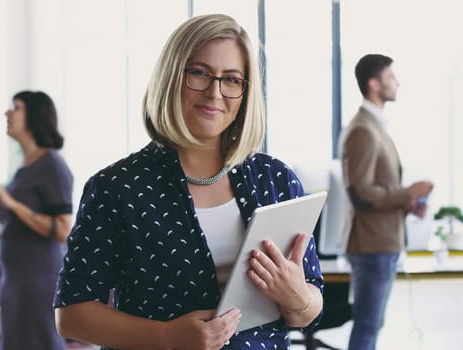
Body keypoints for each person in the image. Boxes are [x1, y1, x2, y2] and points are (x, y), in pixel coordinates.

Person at [54, 14, 323, 350]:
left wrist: (298, 298)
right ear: (172, 77)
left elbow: (309, 306)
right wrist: (167, 337)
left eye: (232, 80)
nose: (215, 92)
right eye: (199, 73)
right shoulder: (117, 187)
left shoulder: (275, 180)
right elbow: (72, 314)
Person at [339, 54, 434, 350]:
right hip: (372, 245)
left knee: (372, 324)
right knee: (368, 325)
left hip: (382, 242)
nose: (398, 83)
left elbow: (376, 189)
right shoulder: (363, 130)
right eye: (391, 77)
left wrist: (408, 203)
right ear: (374, 84)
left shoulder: (375, 126)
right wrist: (408, 192)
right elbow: (362, 192)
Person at [0, 90, 74, 350]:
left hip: (38, 279)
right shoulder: (25, 165)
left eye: (15, 107)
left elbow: (62, 229)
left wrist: (13, 204)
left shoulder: (52, 166)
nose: (7, 113)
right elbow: (13, 221)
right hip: (14, 279)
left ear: (34, 116)